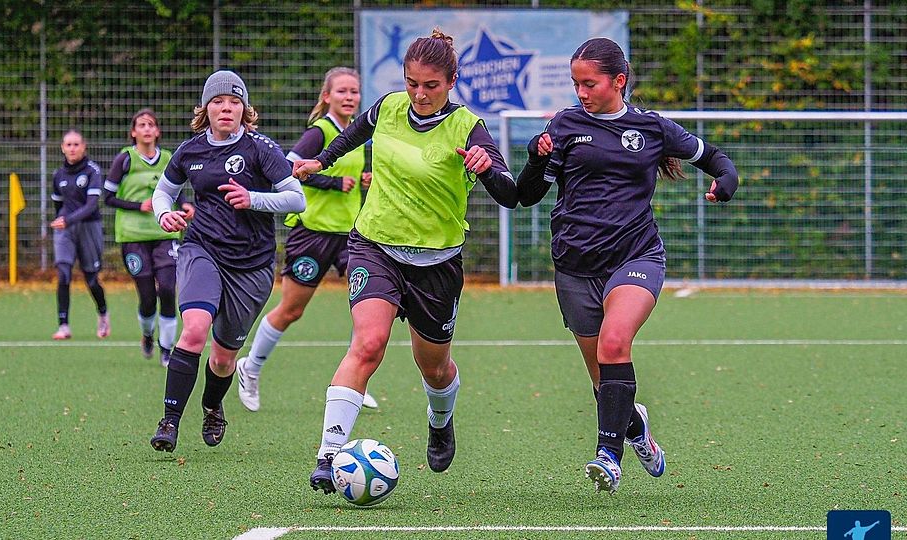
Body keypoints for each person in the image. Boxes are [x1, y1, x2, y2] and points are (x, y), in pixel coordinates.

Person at [292, 29, 520, 494]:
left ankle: (440, 421)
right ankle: (329, 453)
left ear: (452, 81)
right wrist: (321, 161)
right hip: (375, 245)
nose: (418, 93)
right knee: (368, 343)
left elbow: (509, 194)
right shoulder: (390, 107)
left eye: (430, 85)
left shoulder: (468, 128)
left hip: (436, 263)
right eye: (411, 82)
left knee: (433, 367)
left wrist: (486, 166)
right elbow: (357, 133)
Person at [516, 37, 739, 494]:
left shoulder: (652, 128)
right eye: (576, 83)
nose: (581, 93)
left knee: (615, 343)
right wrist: (536, 158)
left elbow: (714, 158)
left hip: (635, 254)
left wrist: (726, 182)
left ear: (618, 81)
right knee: (603, 379)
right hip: (575, 263)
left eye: (590, 84)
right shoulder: (564, 126)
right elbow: (529, 194)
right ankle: (634, 425)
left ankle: (609, 456)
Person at [147, 70, 306, 452]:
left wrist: (253, 198)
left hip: (252, 266)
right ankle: (169, 421)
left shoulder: (261, 149)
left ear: (244, 110)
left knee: (222, 358)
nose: (226, 108)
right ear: (206, 109)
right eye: (218, 101)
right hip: (202, 250)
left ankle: (213, 404)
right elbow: (162, 194)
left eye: (234, 102)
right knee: (194, 330)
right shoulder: (190, 151)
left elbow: (296, 199)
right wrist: (163, 215)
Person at [235, 67, 378, 412]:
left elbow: (355, 176)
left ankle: (353, 380)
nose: (350, 97)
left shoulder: (358, 134)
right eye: (342, 91)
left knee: (367, 310)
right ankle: (250, 367)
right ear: (326, 96)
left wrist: (363, 180)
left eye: (355, 92)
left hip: (352, 235)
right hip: (312, 234)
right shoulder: (320, 132)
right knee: (291, 310)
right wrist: (332, 182)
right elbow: (287, 168)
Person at [104, 108, 195, 367]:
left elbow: (176, 191)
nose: (146, 129)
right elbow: (108, 197)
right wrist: (138, 206)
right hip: (133, 235)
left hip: (165, 231)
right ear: (134, 132)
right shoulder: (125, 159)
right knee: (146, 295)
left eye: (150, 125)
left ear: (157, 131)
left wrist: (185, 204)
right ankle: (147, 334)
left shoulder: (168, 158)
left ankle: (167, 349)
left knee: (167, 289)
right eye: (141, 125)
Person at [50, 129, 110, 340]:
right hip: (66, 230)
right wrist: (62, 222)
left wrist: (68, 219)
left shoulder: (92, 171)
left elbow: (92, 205)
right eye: (68, 144)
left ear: (84, 147)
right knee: (63, 273)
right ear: (62, 148)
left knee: (91, 279)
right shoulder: (58, 175)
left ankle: (103, 314)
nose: (72, 148)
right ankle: (63, 325)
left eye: (76, 144)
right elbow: (58, 205)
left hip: (89, 227)